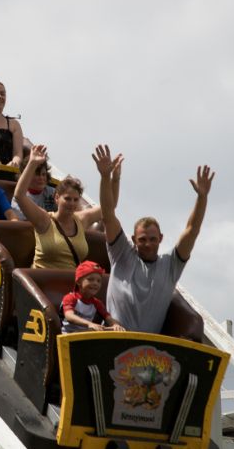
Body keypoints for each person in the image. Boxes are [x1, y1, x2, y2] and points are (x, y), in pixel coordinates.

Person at [92, 143, 215, 334]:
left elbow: (192, 230)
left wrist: (202, 198)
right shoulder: (122, 253)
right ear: (133, 239)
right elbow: (108, 214)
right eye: (142, 240)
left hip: (148, 353)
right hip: (115, 338)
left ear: (161, 238)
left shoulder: (171, 265)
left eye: (152, 239)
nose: (147, 244)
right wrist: (105, 177)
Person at [14, 144, 122, 270]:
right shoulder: (44, 219)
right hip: (43, 283)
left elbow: (110, 205)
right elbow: (19, 196)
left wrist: (112, 178)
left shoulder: (81, 220)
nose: (71, 203)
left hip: (71, 284)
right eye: (67, 199)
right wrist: (32, 163)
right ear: (56, 198)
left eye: (75, 200)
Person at [61, 261, 124, 333]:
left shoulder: (97, 303)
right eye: (90, 279)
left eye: (99, 281)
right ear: (78, 281)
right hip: (68, 335)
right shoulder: (70, 298)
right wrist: (89, 324)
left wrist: (115, 325)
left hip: (86, 334)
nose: (95, 283)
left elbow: (108, 318)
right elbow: (69, 316)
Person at [11, 150, 56, 219]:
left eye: (43, 174)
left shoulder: (53, 193)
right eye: (37, 174)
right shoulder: (19, 198)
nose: (41, 178)